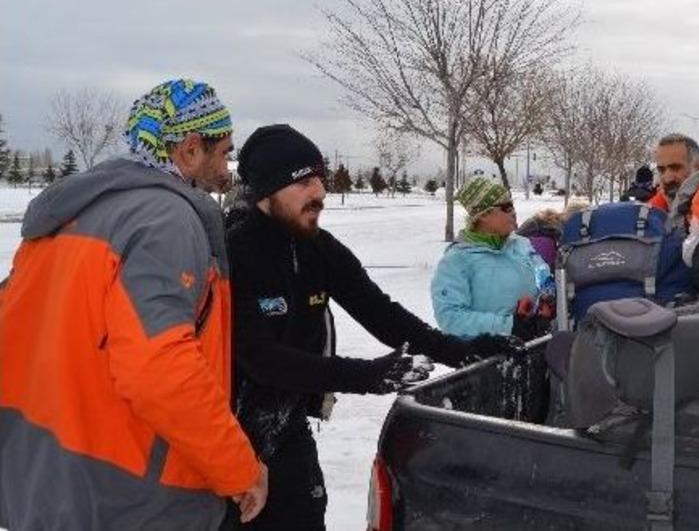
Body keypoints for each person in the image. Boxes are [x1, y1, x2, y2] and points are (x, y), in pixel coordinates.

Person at [0, 79, 267, 530]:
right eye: (223, 150)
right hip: (131, 498)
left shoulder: (70, 215)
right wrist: (239, 468)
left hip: (46, 480)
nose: (229, 166)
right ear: (188, 149)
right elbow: (160, 368)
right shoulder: (167, 220)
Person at [228, 125, 510, 531]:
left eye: (321, 179)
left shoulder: (317, 247)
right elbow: (260, 358)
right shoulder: (235, 253)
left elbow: (381, 313)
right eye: (304, 181)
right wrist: (368, 375)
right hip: (234, 436)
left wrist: (464, 350)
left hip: (288, 428)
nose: (320, 192)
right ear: (268, 190)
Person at [432, 177, 554, 341]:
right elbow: (450, 317)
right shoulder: (456, 260)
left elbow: (542, 273)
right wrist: (508, 326)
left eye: (513, 206)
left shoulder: (522, 244)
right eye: (506, 207)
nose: (513, 212)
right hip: (488, 357)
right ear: (483, 215)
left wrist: (548, 297)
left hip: (534, 343)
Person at [649, 133, 699, 215]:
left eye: (675, 168)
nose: (668, 179)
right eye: (661, 170)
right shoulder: (651, 215)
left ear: (697, 167)